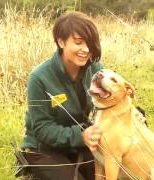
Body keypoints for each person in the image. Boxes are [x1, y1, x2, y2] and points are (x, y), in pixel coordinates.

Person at [19, 11, 103, 180]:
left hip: (80, 144)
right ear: (61, 41)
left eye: (89, 43)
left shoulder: (95, 68)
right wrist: (80, 136)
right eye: (78, 42)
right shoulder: (39, 77)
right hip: (45, 148)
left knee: (111, 171)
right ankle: (30, 169)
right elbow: (42, 129)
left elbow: (106, 102)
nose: (86, 50)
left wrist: (132, 111)